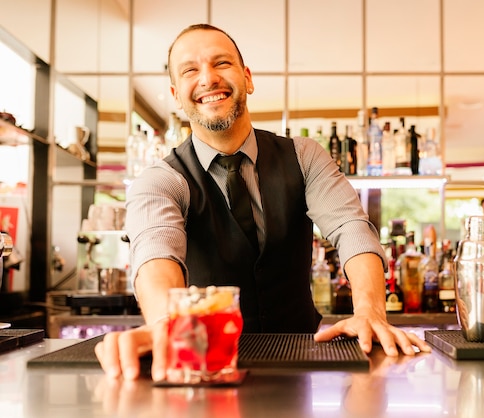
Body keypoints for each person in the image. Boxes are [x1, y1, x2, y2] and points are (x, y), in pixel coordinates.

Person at [95, 23, 430, 381]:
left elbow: (351, 228)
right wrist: (165, 323)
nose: (208, 78)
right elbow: (155, 250)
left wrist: (371, 311)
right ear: (177, 95)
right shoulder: (161, 179)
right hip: (208, 367)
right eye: (191, 70)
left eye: (221, 63)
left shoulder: (304, 156)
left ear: (247, 78)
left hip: (301, 363)